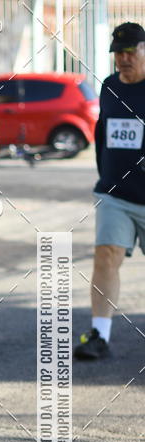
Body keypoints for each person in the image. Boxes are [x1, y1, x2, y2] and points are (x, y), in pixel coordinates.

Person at [74, 22, 145, 360]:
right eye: (119, 53)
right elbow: (104, 133)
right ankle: (99, 335)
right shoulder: (109, 86)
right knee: (106, 255)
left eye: (131, 51)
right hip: (116, 194)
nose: (124, 58)